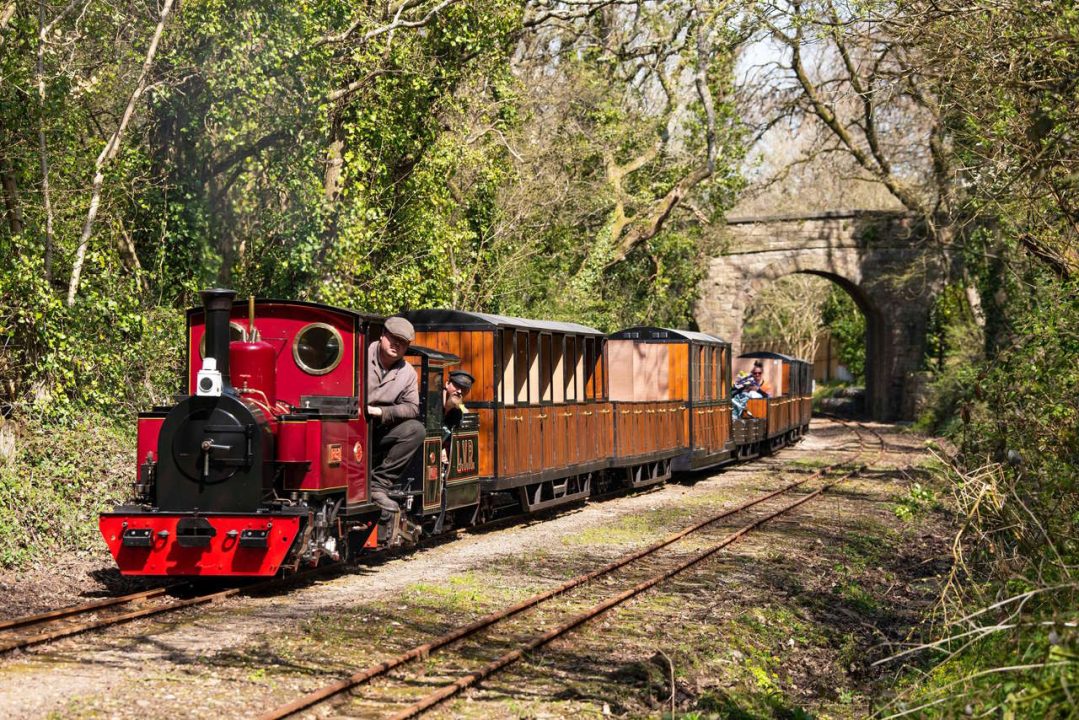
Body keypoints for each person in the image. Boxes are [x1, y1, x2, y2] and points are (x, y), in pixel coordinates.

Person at [366, 316, 424, 538]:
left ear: (407, 346)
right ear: (382, 335)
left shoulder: (408, 373)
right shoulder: (359, 355)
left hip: (380, 428)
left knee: (415, 430)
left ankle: (378, 485)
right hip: (347, 426)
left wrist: (382, 412)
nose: (396, 344)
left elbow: (412, 408)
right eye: (392, 338)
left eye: (402, 342)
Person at [441, 369, 474, 464]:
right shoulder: (432, 402)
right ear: (447, 384)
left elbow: (466, 413)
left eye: (464, 389)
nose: (459, 391)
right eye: (457, 386)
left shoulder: (460, 408)